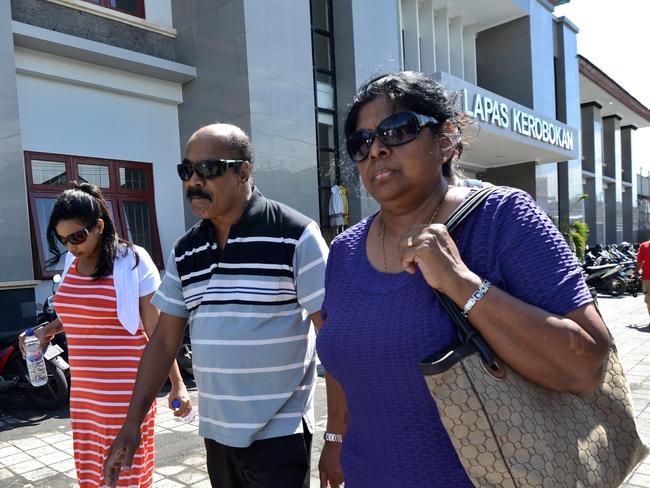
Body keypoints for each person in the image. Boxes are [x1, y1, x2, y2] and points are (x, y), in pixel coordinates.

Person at [315, 71, 611, 487]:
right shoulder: (345, 251)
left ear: (446, 139)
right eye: (361, 143)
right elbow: (345, 359)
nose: (376, 149)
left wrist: (461, 283)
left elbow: (587, 368)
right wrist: (334, 438)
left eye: (396, 130)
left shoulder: (503, 217)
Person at [103, 123, 329, 488]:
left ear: (243, 171)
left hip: (280, 434)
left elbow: (334, 337)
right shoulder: (185, 250)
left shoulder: (295, 234)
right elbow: (163, 342)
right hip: (217, 434)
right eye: (186, 170)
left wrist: (337, 435)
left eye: (207, 169)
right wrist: (131, 424)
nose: (193, 180)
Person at [19, 182, 191, 488]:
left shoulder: (133, 262)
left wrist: (177, 384)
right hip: (85, 395)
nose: (71, 246)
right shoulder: (72, 262)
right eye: (63, 240)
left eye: (78, 236)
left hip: (126, 392)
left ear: (99, 225)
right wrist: (47, 329)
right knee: (90, 475)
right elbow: (79, 314)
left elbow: (157, 332)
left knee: (125, 475)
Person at [634, 240, 650, 321]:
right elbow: (639, 261)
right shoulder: (644, 246)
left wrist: (636, 272)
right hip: (648, 278)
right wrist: (636, 272)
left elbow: (639, 262)